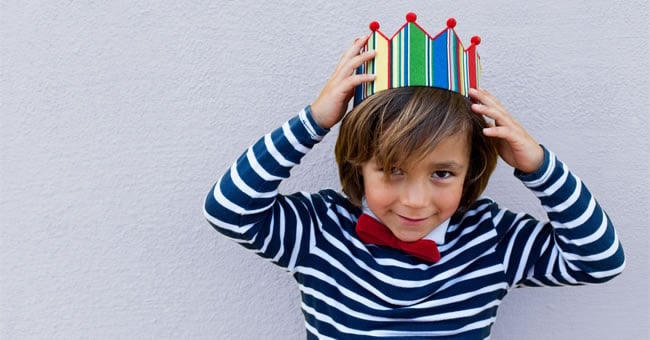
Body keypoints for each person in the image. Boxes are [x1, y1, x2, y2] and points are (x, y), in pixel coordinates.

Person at [204, 30, 625, 339]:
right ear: (358, 166)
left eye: (442, 173)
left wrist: (538, 166)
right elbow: (228, 209)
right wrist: (314, 120)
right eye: (392, 169)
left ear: (471, 169)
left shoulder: (492, 238)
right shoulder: (320, 229)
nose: (416, 201)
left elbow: (600, 260)